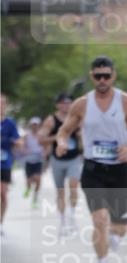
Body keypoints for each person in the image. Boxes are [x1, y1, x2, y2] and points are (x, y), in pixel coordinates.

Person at [55, 57, 127, 263]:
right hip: (93, 168)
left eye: (106, 75)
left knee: (120, 227)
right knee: (100, 220)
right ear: (92, 76)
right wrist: (62, 142)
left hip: (118, 169)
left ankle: (114, 237)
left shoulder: (125, 101)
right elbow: (64, 131)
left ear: (113, 75)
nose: (102, 80)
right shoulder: (82, 105)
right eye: (98, 76)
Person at [40, 93, 82, 235]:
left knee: (73, 186)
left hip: (74, 158)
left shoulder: (77, 119)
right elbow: (41, 139)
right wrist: (60, 136)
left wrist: (81, 135)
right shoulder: (51, 120)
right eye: (63, 103)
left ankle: (72, 215)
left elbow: (87, 135)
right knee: (60, 192)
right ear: (58, 105)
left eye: (69, 102)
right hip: (57, 160)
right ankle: (62, 222)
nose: (67, 105)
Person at [1, 94, 23, 234]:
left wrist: (16, 143)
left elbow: (19, 141)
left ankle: (1, 222)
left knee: (2, 194)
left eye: (2, 104)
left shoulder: (10, 123)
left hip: (4, 163)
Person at [22, 117, 47, 208]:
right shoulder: (26, 136)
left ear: (38, 126)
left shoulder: (41, 136)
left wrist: (44, 154)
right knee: (29, 181)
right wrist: (25, 151)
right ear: (31, 126)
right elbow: (22, 146)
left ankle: (35, 199)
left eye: (36, 125)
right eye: (33, 125)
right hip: (29, 160)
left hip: (38, 161)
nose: (34, 127)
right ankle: (28, 189)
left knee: (37, 179)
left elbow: (45, 147)